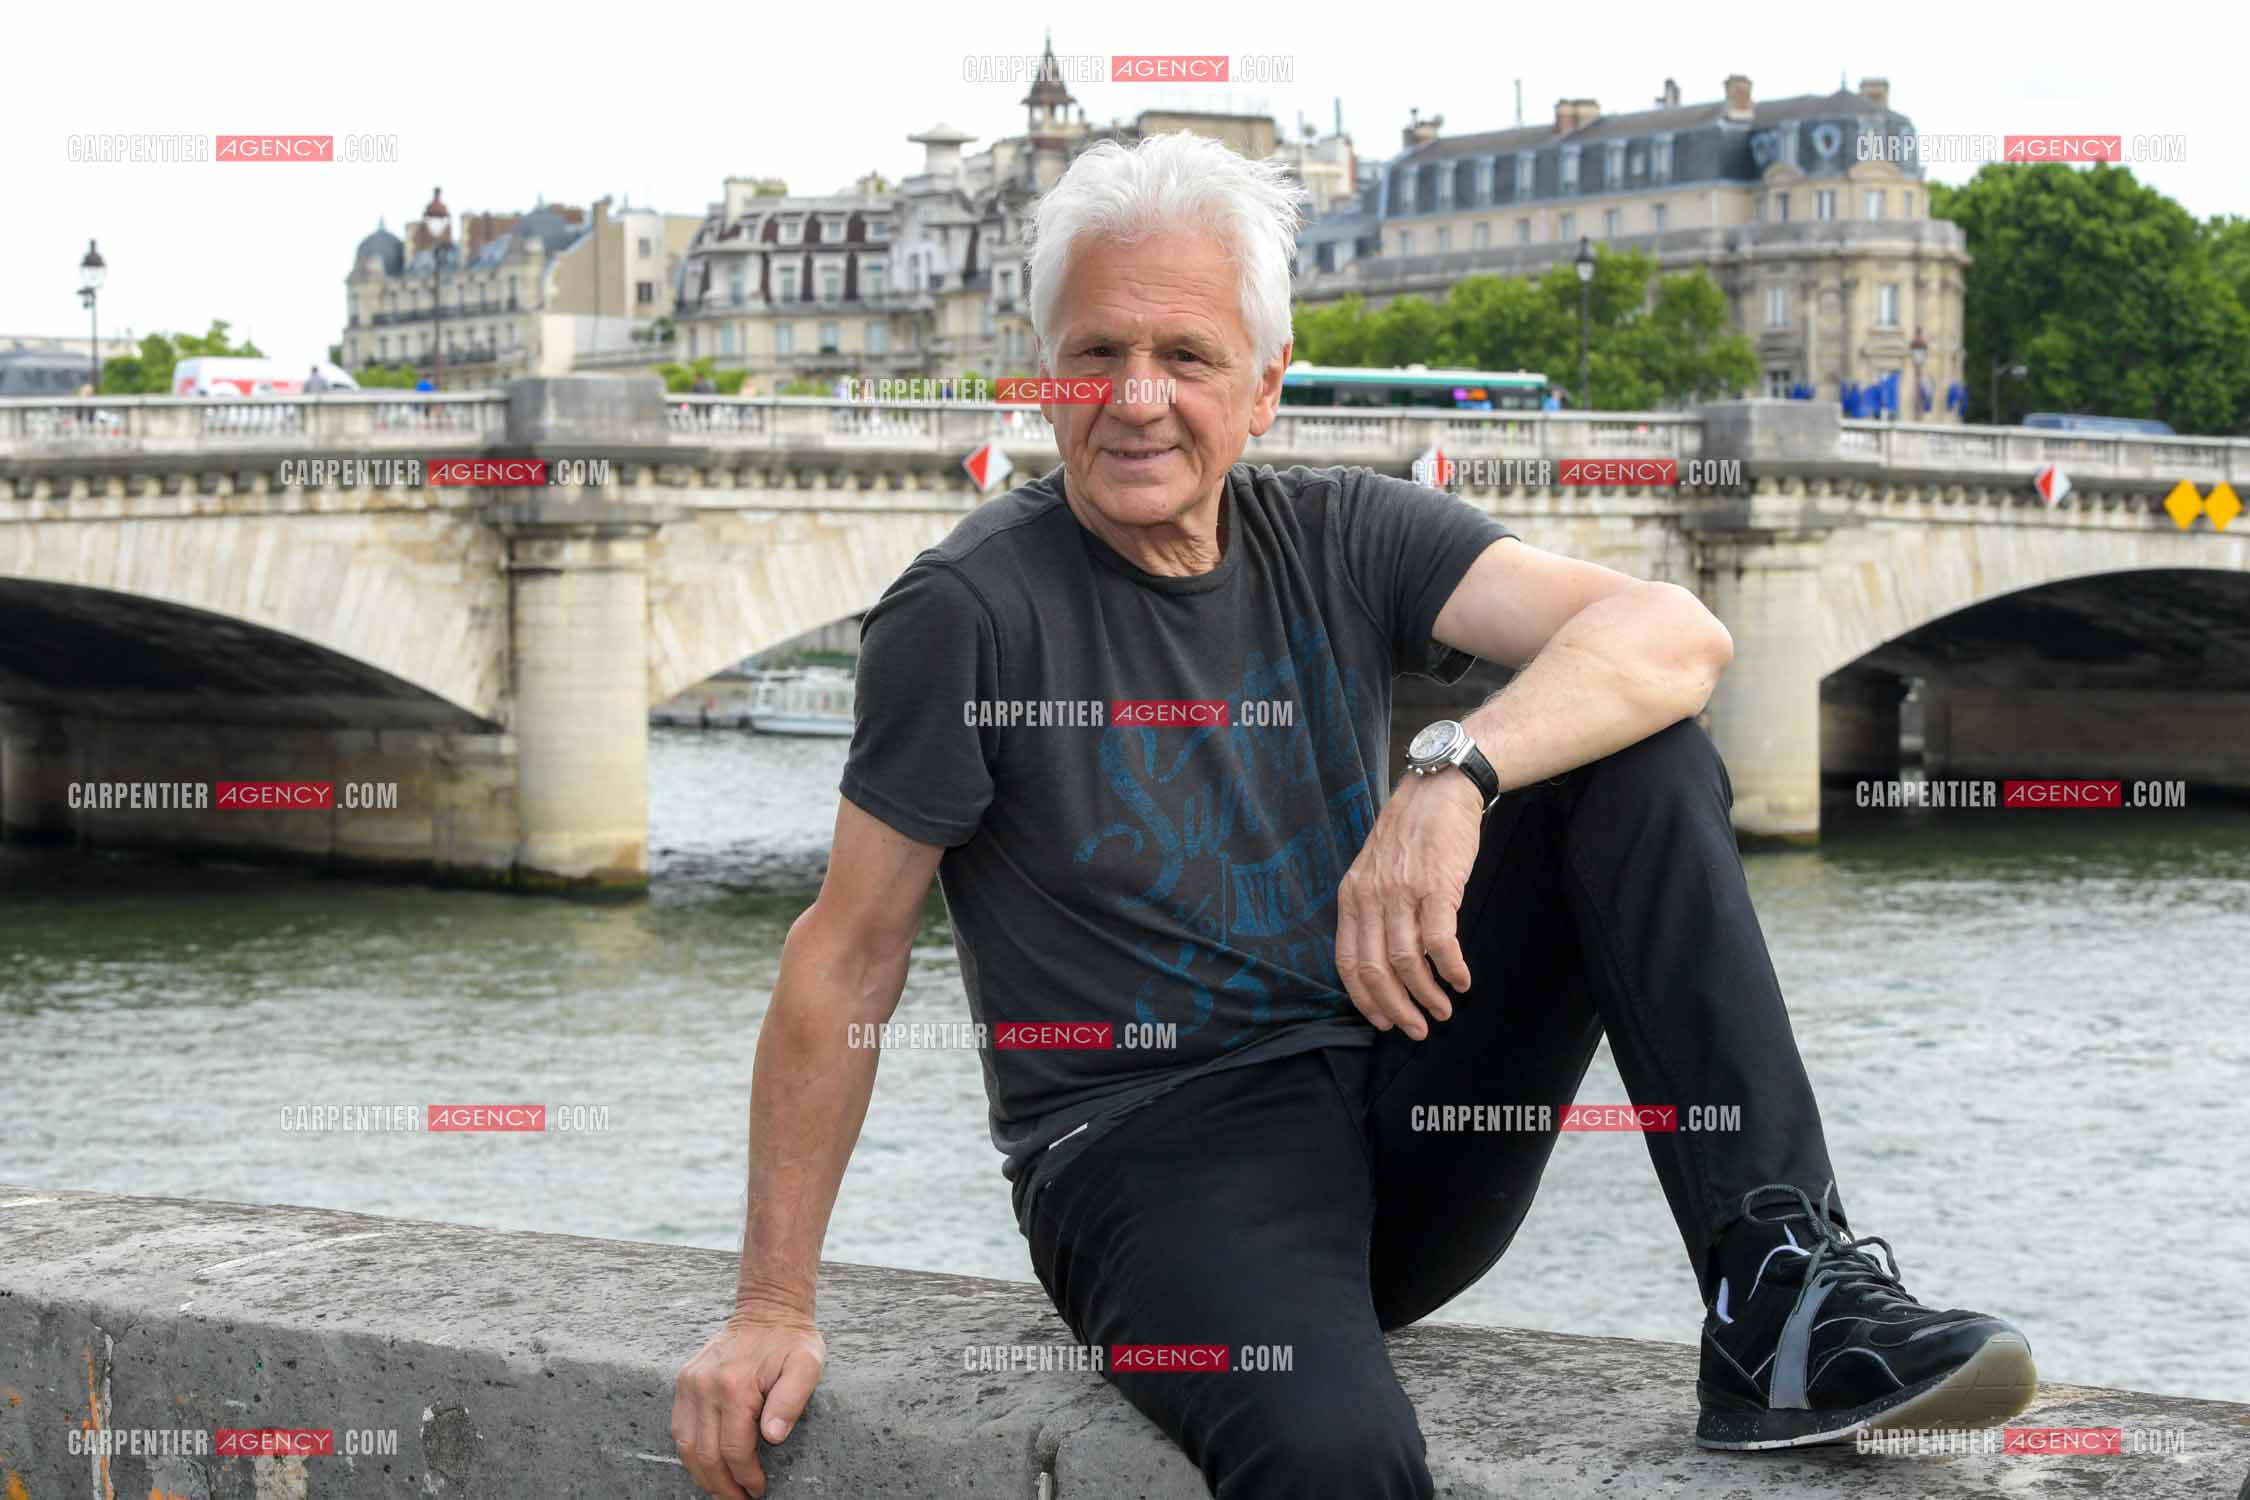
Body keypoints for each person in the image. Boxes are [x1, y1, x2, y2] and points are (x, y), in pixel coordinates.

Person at [671, 132, 2037, 1500]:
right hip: (1153, 1152)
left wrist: (1452, 771)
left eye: (1184, 357)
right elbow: (848, 951)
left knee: (1639, 757)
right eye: (1094, 355)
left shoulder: (1343, 531)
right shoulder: (963, 611)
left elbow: (1673, 633)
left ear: (1263, 388)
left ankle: (1778, 1299)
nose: (1134, 399)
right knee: (1336, 1456)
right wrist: (772, 1306)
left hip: (1397, 1094)